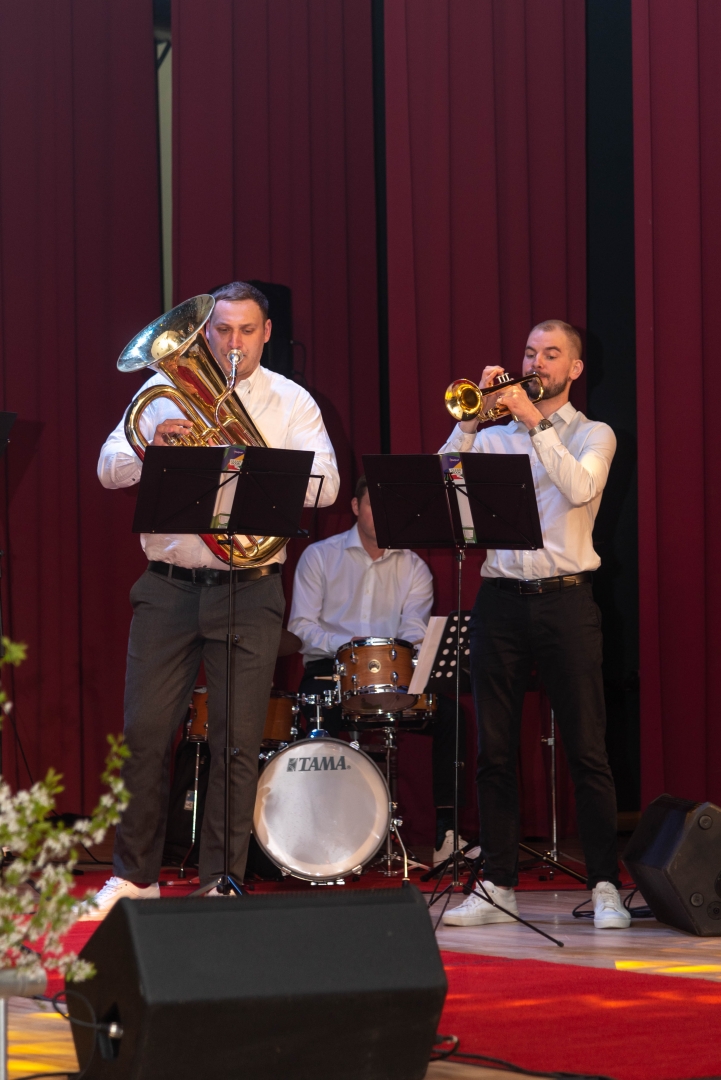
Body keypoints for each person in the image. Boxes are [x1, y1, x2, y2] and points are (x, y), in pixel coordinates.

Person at [85, 281, 339, 919]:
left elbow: (329, 487)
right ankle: (133, 877)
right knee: (145, 734)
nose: (232, 343)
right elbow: (108, 468)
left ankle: (221, 881)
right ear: (206, 333)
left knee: (235, 741)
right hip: (167, 587)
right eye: (221, 330)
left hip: (249, 589)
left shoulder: (292, 400)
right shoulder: (159, 392)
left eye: (246, 331)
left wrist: (253, 459)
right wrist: (149, 449)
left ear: (266, 334)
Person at [439, 320, 630, 930]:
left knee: (587, 750)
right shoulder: (495, 437)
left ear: (575, 369)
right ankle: (498, 886)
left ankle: (605, 885)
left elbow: (579, 488)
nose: (536, 363)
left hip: (566, 602)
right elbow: (443, 484)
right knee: (493, 751)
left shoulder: (596, 433)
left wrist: (534, 422)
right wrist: (472, 422)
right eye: (529, 353)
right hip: (499, 601)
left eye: (550, 354)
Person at [288, 475, 469, 864]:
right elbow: (301, 628)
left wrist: (385, 655)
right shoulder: (319, 556)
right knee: (318, 717)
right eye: (373, 504)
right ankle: (321, 835)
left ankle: (446, 834)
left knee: (451, 716)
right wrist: (350, 648)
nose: (383, 514)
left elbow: (414, 633)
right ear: (356, 507)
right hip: (331, 670)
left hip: (394, 674)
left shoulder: (415, 567)